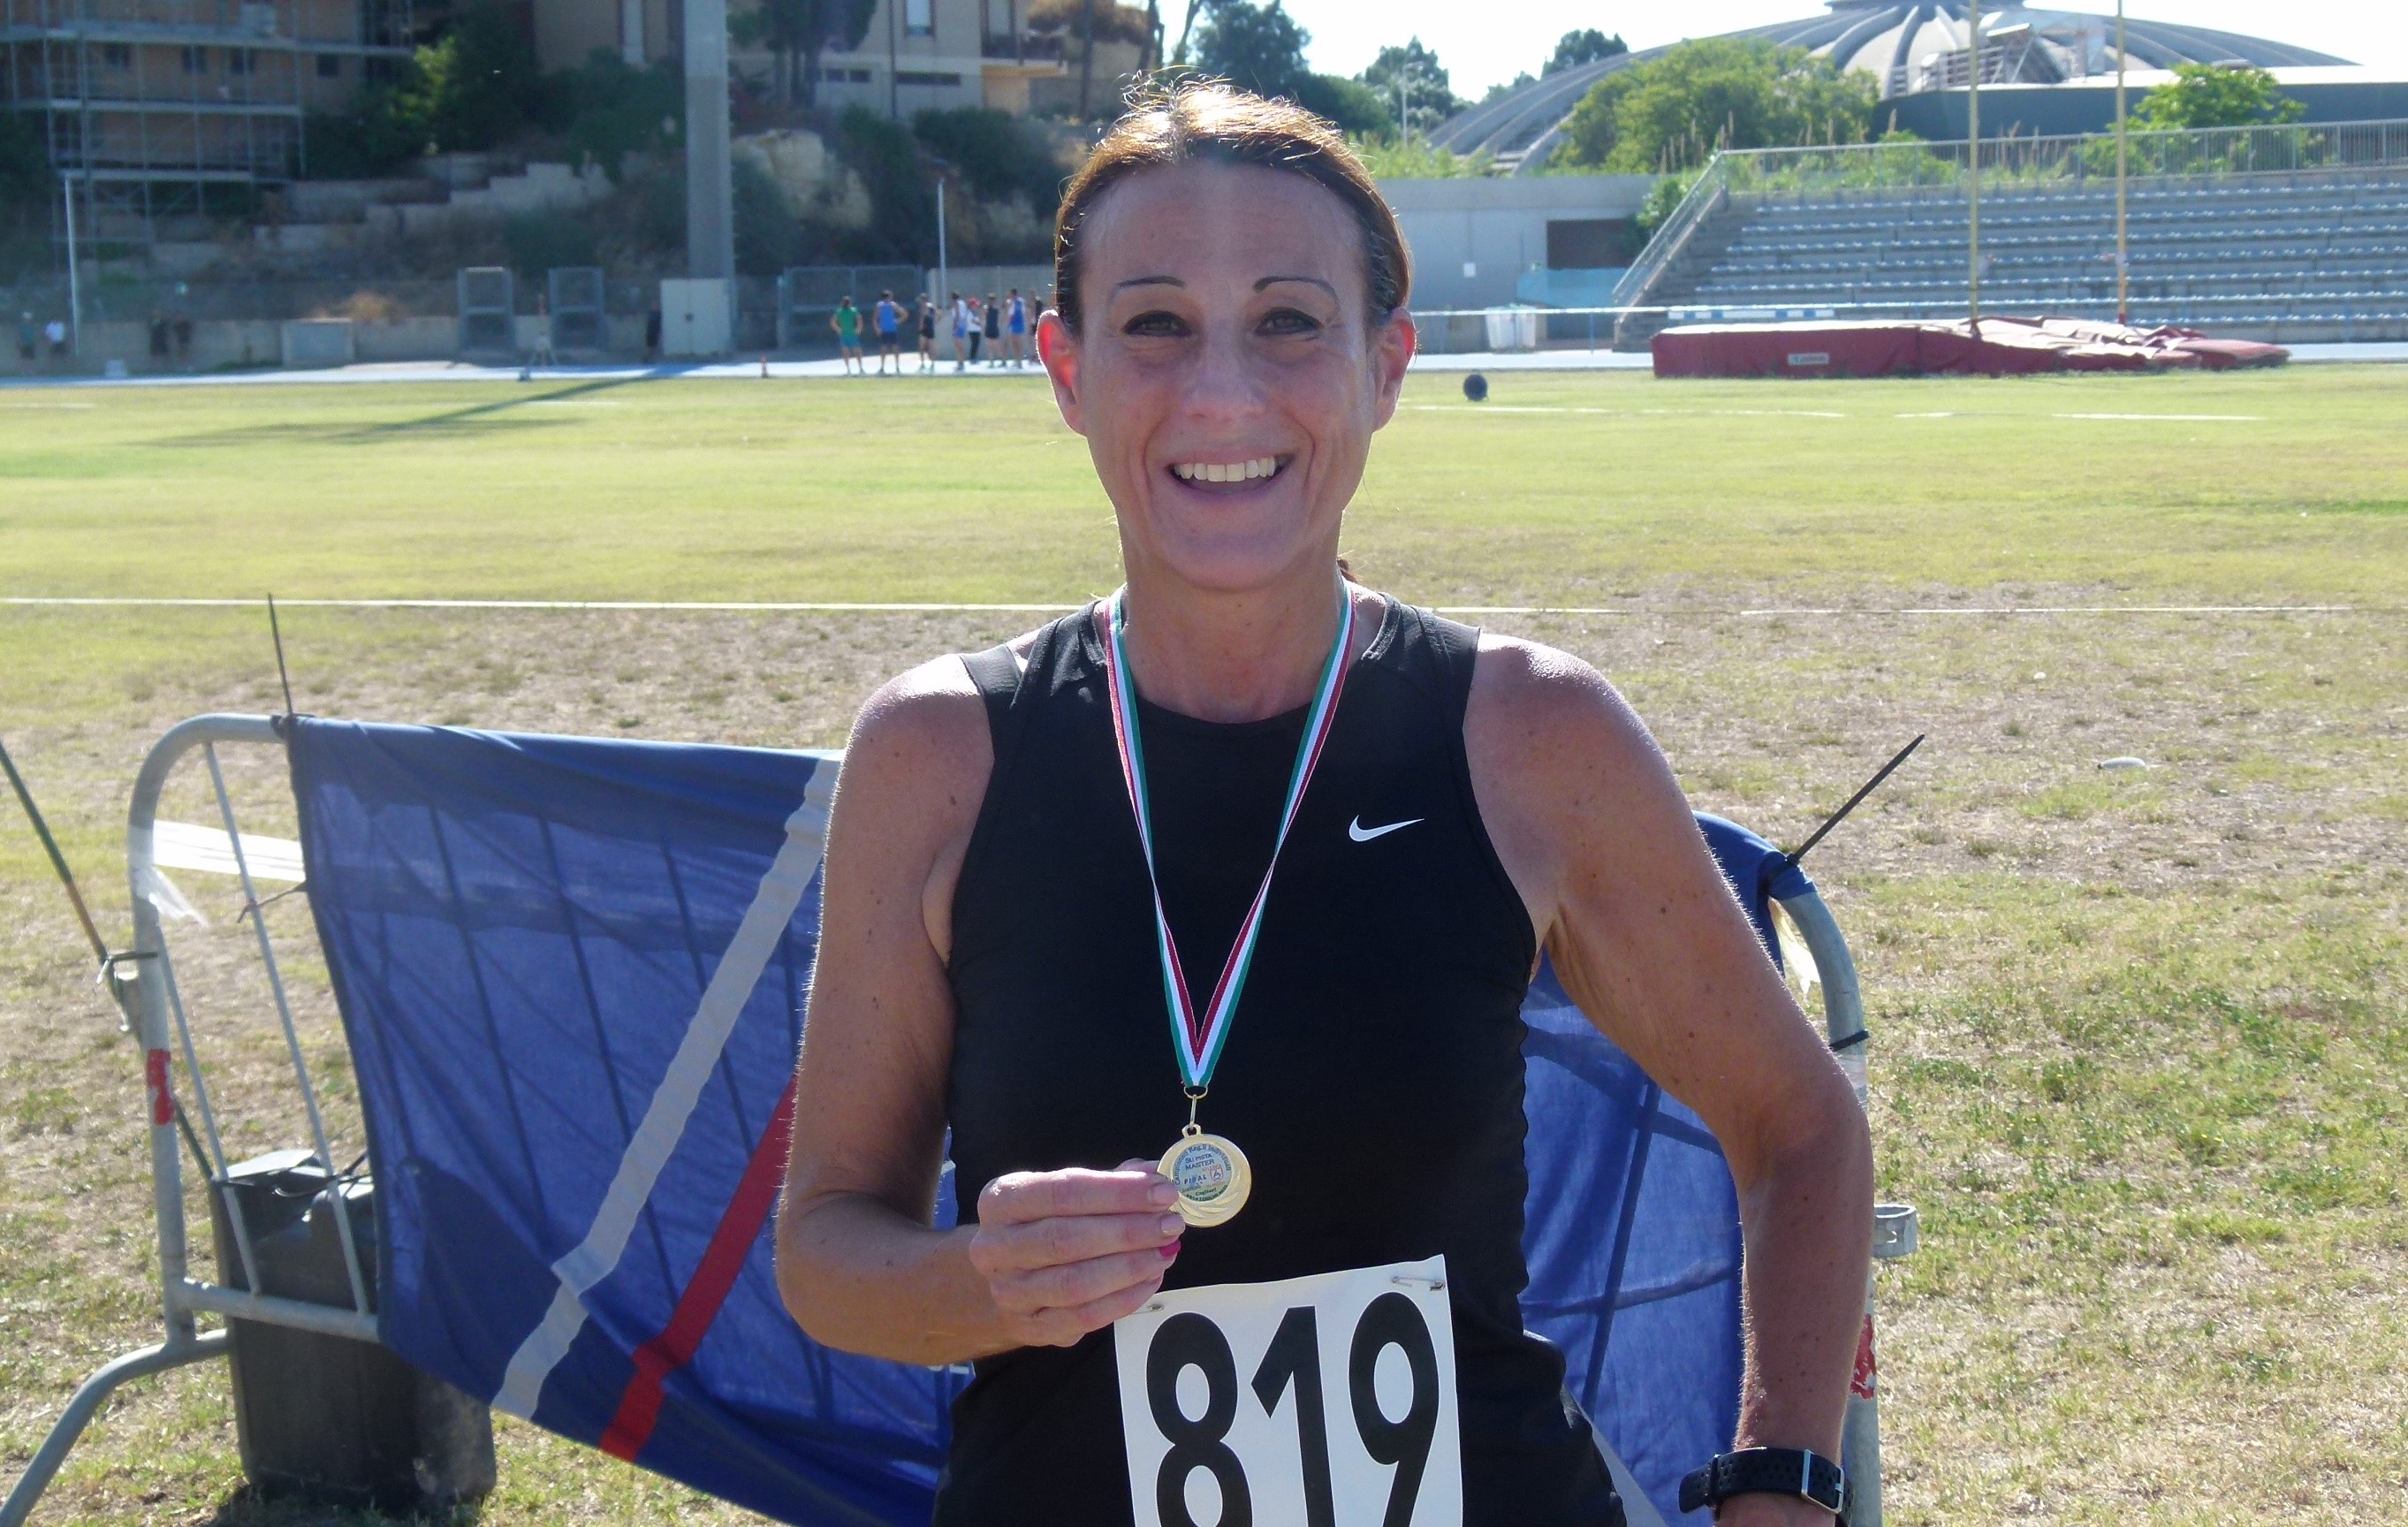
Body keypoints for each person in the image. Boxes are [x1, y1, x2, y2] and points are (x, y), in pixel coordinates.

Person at [776, 84, 1872, 1527]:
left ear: (1386, 365)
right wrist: (978, 1281)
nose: (1223, 393)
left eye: (1290, 320)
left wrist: (1783, 1486)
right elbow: (825, 1252)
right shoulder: (937, 755)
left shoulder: (1532, 736)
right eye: (1155, 323)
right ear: (1065, 368)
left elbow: (1802, 1130)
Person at [873, 289, 904, 375]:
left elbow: (904, 314)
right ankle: (882, 367)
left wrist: (898, 321)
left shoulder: (893, 305)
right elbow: (875, 319)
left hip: (892, 330)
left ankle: (897, 367)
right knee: (883, 349)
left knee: (895, 348)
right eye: (890, 296)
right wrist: (877, 329)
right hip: (884, 330)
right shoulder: (879, 306)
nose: (891, 298)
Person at [831, 295, 864, 375]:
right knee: (846, 352)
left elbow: (859, 319)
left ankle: (860, 368)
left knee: (857, 351)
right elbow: (833, 321)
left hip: (852, 334)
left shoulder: (853, 310)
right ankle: (848, 369)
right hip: (844, 335)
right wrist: (837, 329)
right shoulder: (839, 311)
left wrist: (858, 329)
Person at [1005, 286, 1029, 367]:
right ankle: (1017, 359)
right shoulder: (1010, 302)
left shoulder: (1020, 302)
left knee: (1018, 343)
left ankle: (1019, 360)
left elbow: (1023, 312)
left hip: (1018, 323)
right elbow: (1009, 313)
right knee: (1015, 343)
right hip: (1014, 324)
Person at [950, 291, 969, 371]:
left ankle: (960, 363)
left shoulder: (957, 303)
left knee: (958, 346)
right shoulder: (963, 303)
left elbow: (957, 315)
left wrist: (955, 325)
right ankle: (960, 362)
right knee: (959, 346)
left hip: (958, 325)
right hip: (962, 324)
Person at [917, 294, 938, 372]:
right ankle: (927, 363)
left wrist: (920, 327)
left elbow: (922, 318)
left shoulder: (926, 307)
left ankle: (928, 362)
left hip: (926, 329)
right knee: (926, 346)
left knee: (927, 346)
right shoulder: (930, 307)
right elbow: (939, 314)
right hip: (928, 329)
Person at [983, 291, 1003, 367]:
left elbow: (1000, 318)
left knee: (997, 346)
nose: (991, 301)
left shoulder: (996, 309)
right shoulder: (986, 308)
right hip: (988, 328)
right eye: (990, 299)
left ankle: (1003, 360)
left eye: (992, 299)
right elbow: (984, 316)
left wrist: (999, 325)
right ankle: (991, 362)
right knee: (989, 346)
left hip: (994, 329)